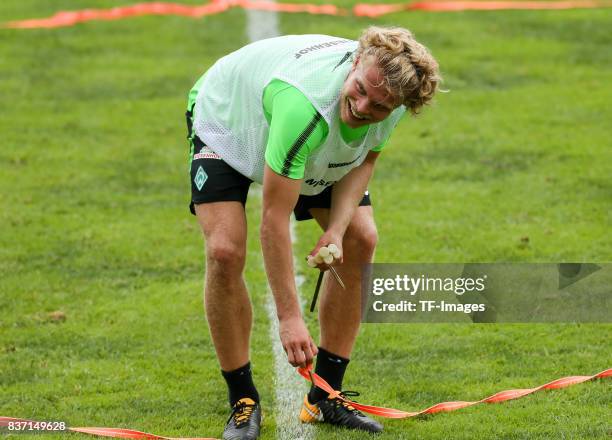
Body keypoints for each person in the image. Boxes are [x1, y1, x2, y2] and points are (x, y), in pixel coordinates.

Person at [185, 26, 441, 440]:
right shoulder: (302, 107)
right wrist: (289, 319)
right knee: (224, 250)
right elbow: (274, 218)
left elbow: (364, 160)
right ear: (356, 62)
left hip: (306, 133)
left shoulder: (391, 99)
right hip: (229, 120)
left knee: (361, 239)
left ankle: (325, 395)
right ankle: (242, 400)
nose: (361, 107)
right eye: (358, 90)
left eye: (378, 106)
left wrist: (337, 231)